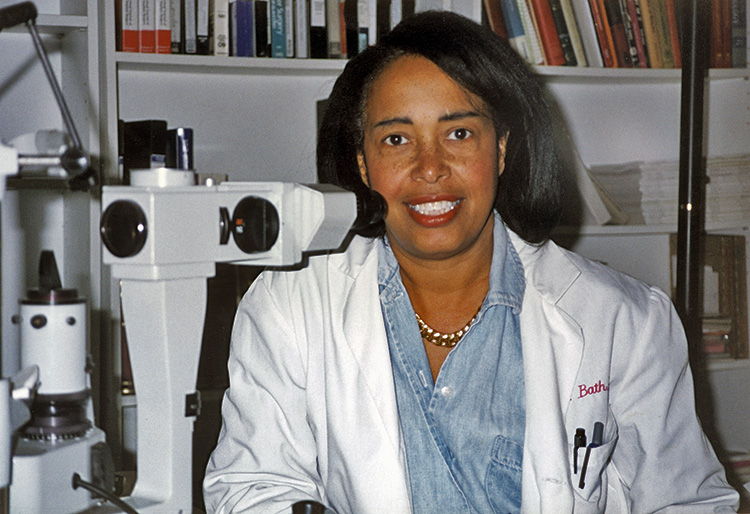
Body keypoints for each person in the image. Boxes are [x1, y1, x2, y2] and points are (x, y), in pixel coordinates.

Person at [203, 10, 739, 513]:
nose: (429, 168)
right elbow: (252, 487)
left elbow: (687, 501)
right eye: (396, 139)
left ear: (501, 148)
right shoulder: (288, 306)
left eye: (458, 133)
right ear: (363, 164)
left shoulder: (626, 320)